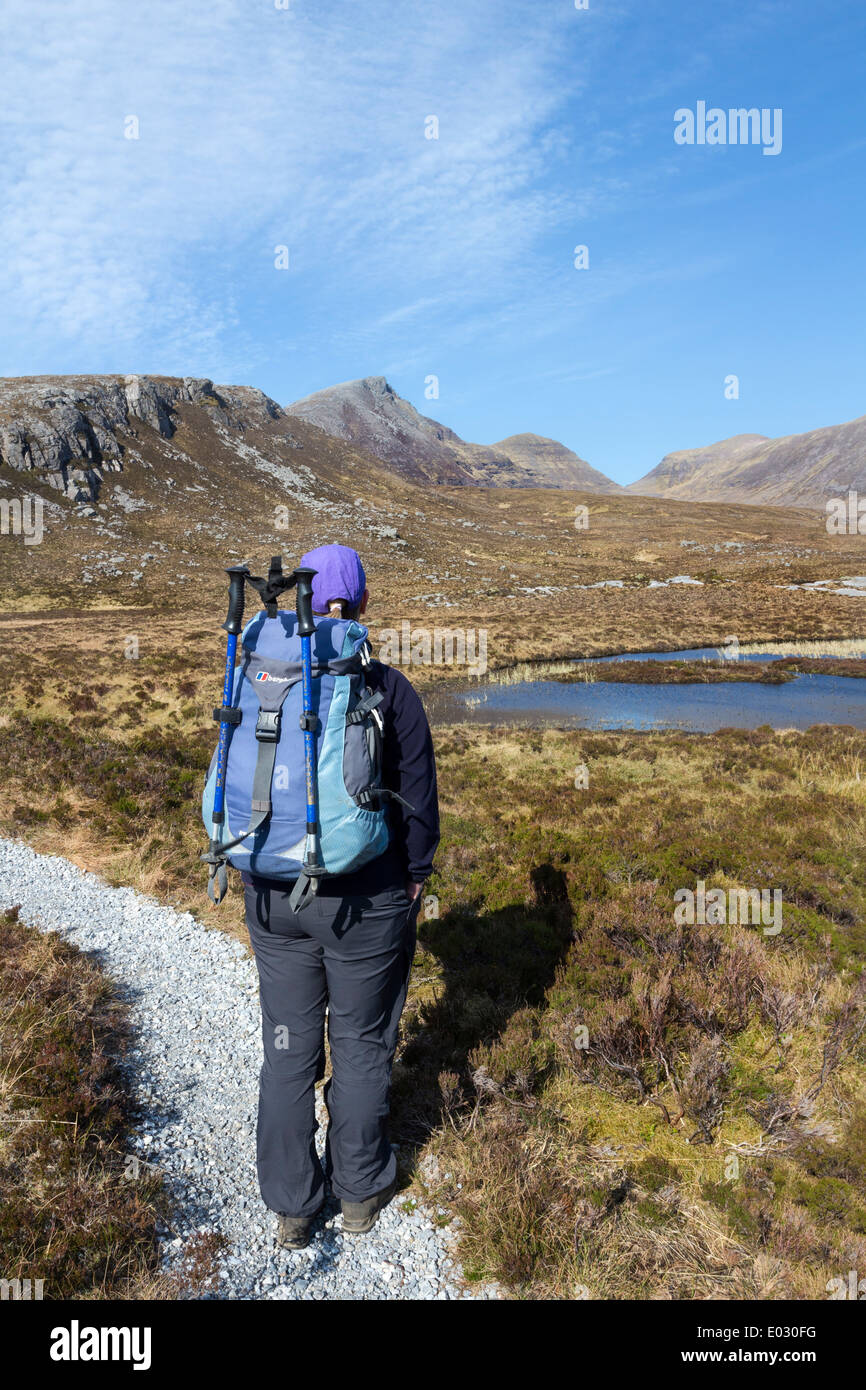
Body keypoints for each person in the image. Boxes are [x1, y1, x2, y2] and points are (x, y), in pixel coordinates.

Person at [241, 543, 439, 1249]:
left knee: (288, 1046)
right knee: (359, 1043)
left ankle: (294, 1204)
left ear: (296, 596)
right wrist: (414, 878)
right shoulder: (389, 687)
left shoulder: (264, 674)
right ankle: (360, 1192)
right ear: (362, 606)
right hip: (367, 903)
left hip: (272, 895)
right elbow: (418, 806)